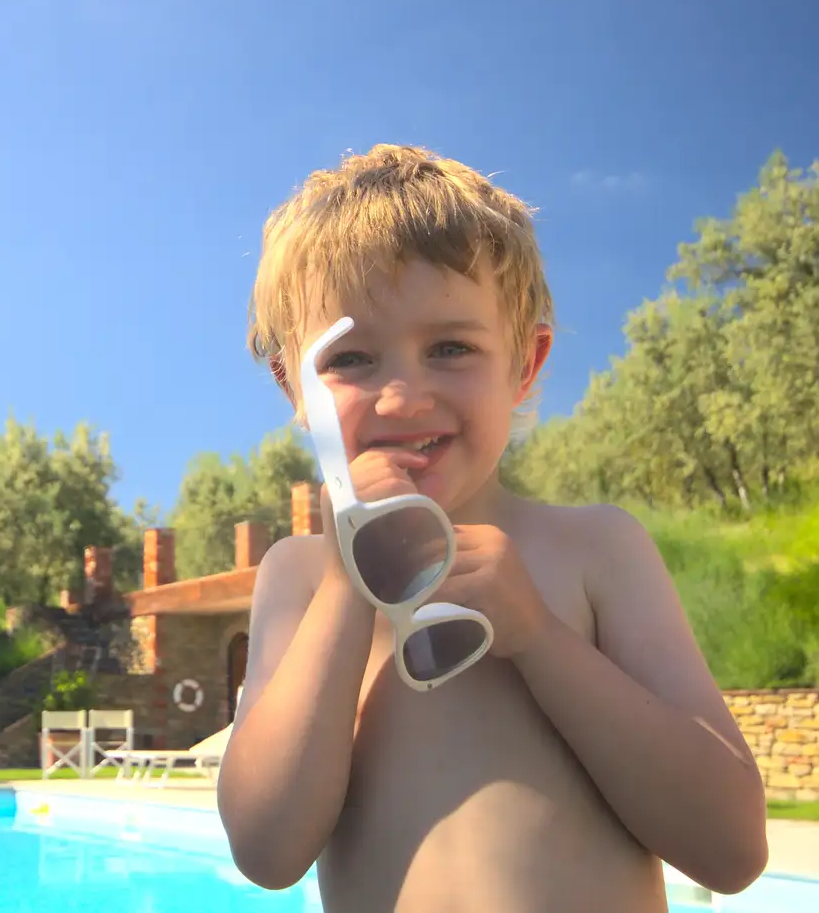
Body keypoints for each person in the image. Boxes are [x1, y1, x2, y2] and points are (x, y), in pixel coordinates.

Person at [216, 145, 768, 912]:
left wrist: (539, 636)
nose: (403, 398)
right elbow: (267, 850)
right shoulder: (301, 576)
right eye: (352, 358)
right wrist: (350, 586)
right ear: (294, 387)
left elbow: (732, 847)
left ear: (526, 362)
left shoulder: (596, 550)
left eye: (450, 348)